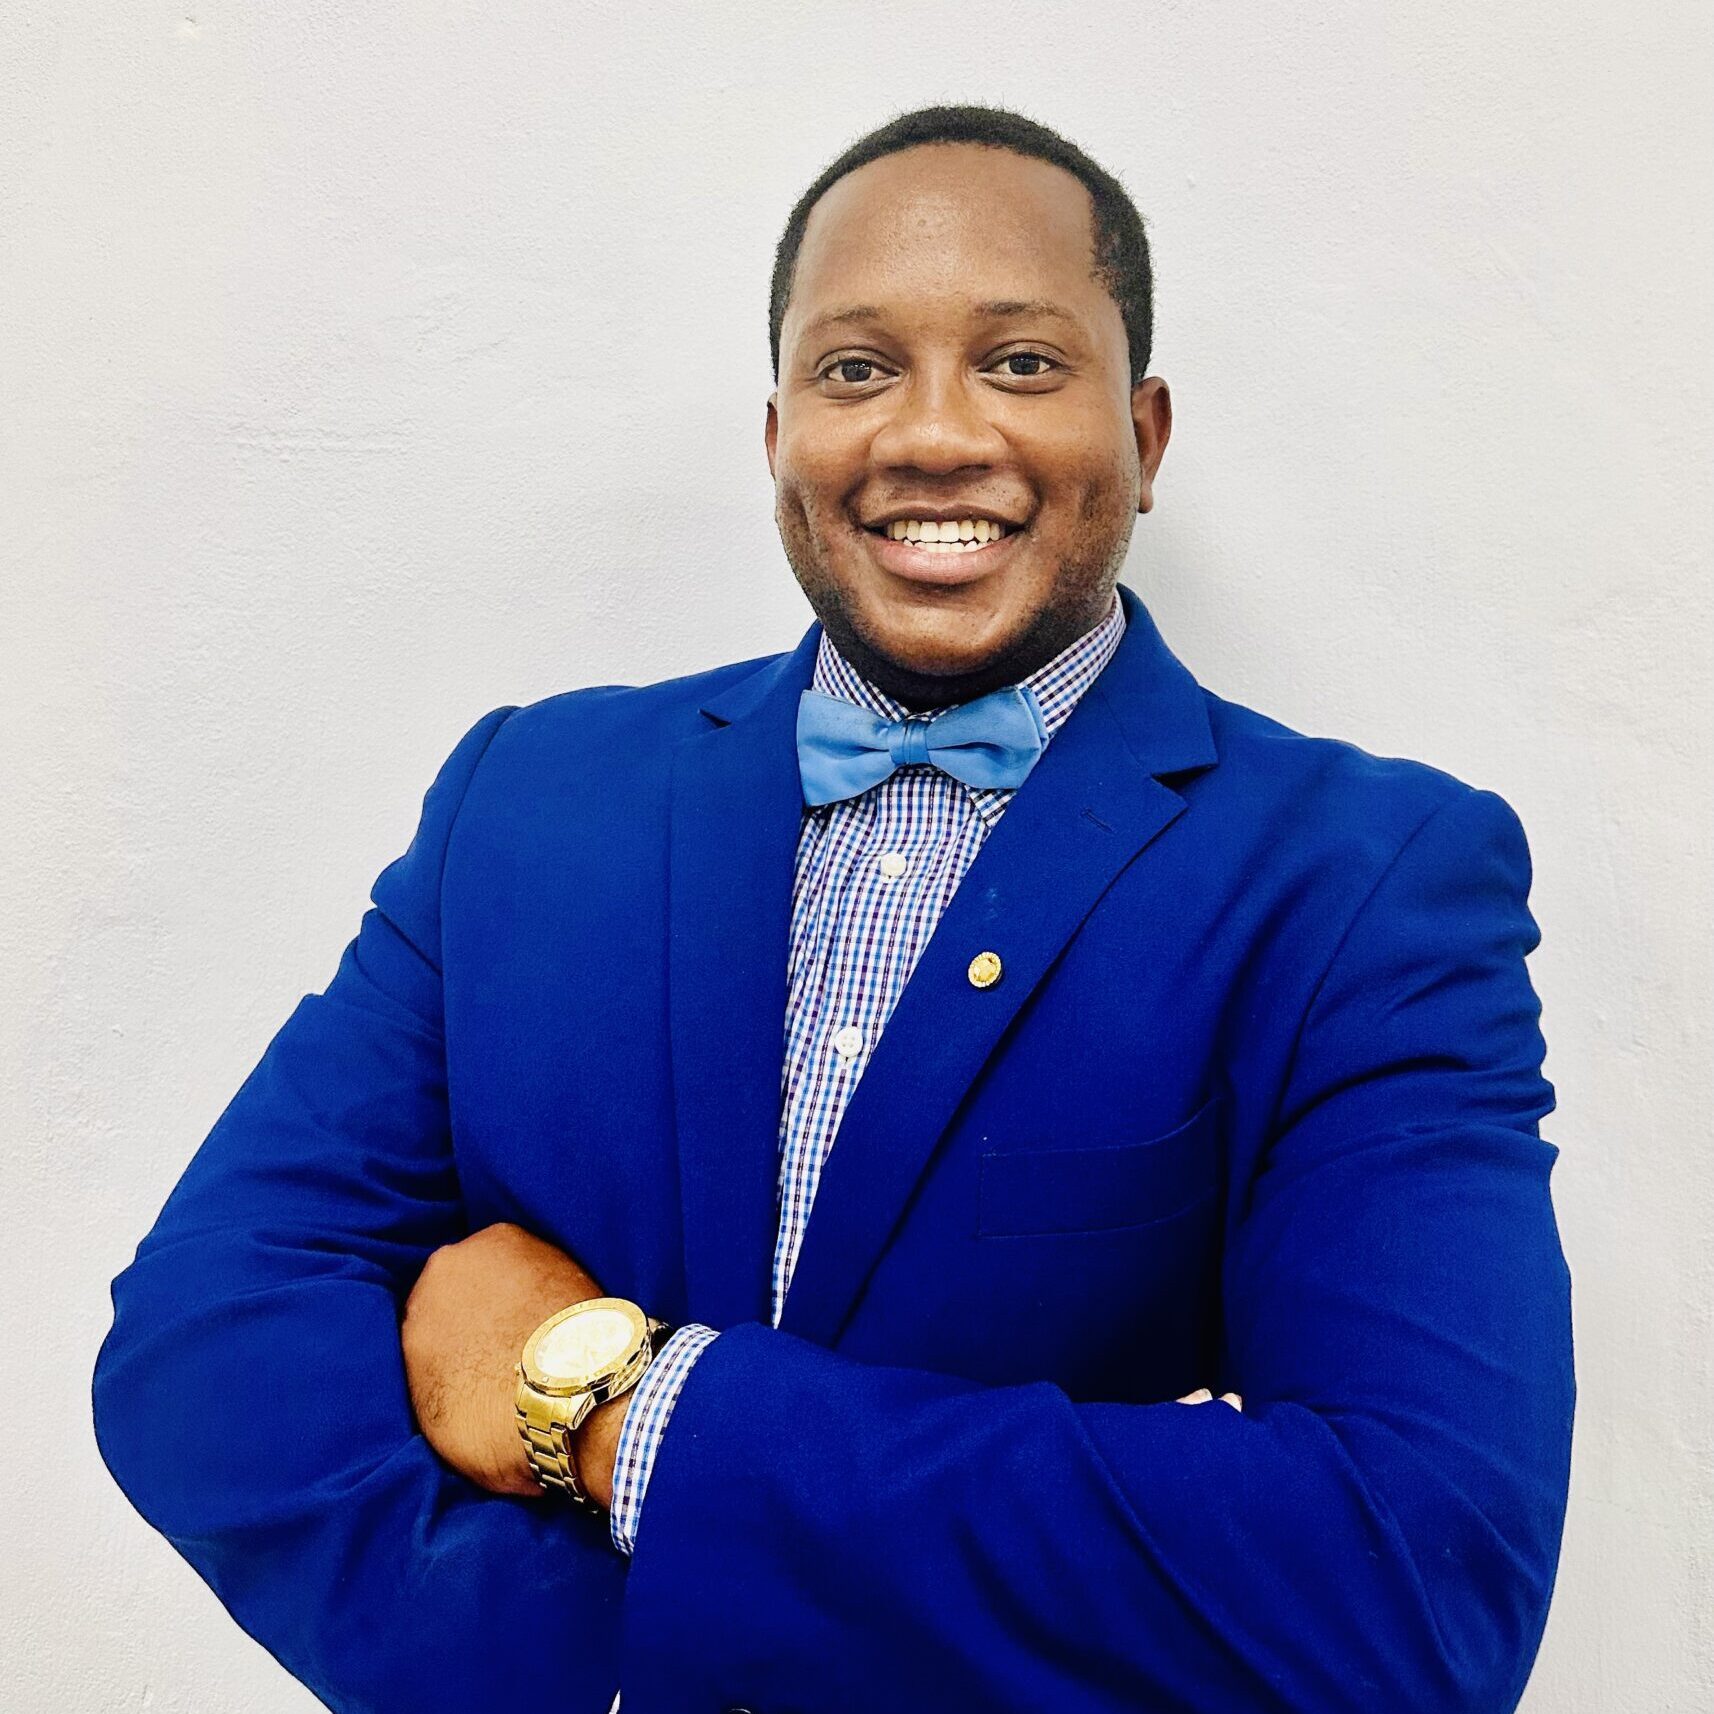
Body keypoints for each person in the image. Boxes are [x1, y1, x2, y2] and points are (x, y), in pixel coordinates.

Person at [92, 103, 1575, 1714]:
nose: (932, 434)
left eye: (1020, 362)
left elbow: (1411, 1585)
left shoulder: (1366, 881)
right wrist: (586, 1676)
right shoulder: (524, 798)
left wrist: (616, 1406)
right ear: (780, 430)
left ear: (1143, 437)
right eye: (856, 368)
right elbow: (203, 1332)